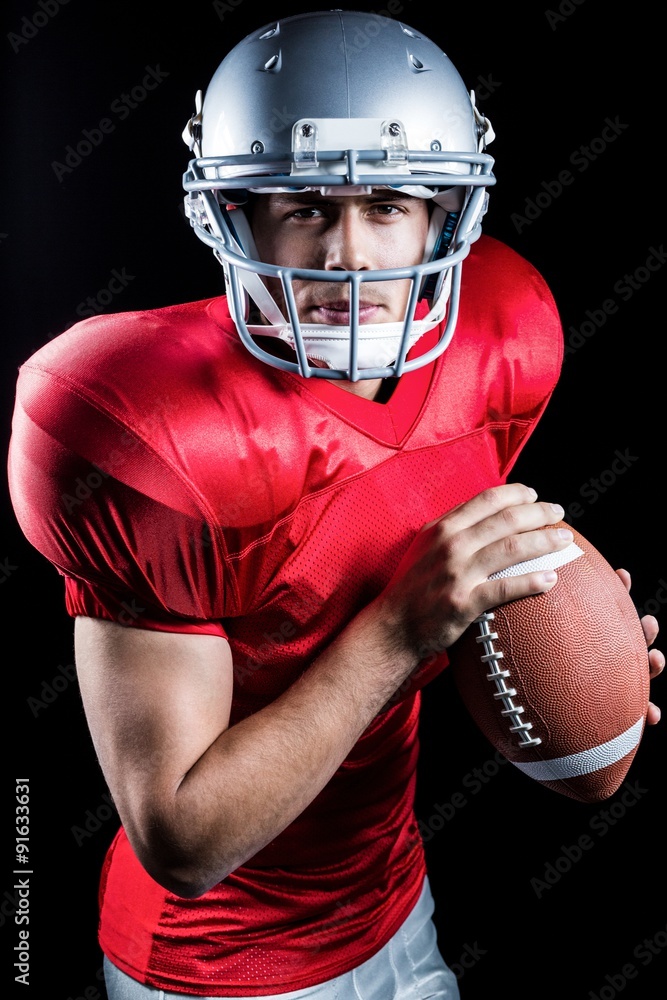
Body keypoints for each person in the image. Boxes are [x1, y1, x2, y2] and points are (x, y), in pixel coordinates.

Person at [7, 9, 662, 999]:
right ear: (237, 215)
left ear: (446, 216)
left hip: (395, 901)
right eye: (306, 205)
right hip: (215, 970)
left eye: (388, 204)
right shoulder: (149, 427)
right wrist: (404, 629)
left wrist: (561, 629)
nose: (349, 255)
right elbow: (183, 837)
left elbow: (403, 529)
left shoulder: (502, 335)